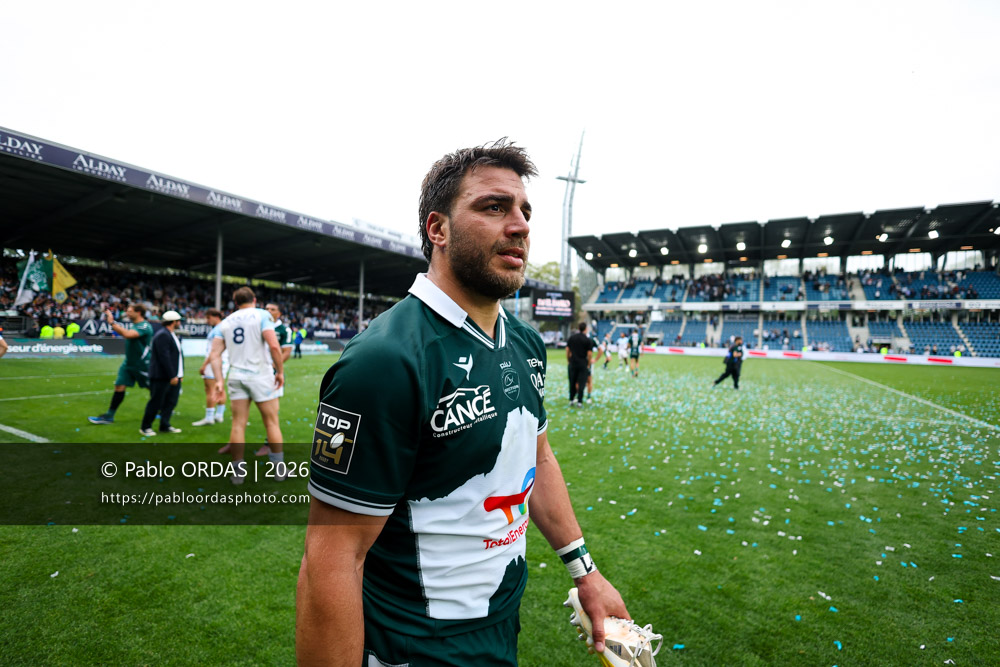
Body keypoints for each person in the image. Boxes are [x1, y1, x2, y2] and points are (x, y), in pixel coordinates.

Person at [297, 140, 629, 667]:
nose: (519, 225)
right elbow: (332, 558)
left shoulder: (523, 343)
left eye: (524, 211)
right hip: (415, 650)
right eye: (493, 207)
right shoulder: (383, 361)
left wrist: (584, 570)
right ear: (438, 229)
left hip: (499, 633)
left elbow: (537, 460)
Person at [207, 286, 285, 483]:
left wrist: (218, 380)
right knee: (271, 422)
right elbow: (274, 345)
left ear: (236, 302)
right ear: (255, 299)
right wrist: (280, 371)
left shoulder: (225, 322)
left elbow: (214, 355)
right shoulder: (262, 315)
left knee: (237, 424)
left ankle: (237, 473)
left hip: (236, 376)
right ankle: (279, 471)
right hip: (260, 375)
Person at [88, 305, 154, 425]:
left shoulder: (144, 326)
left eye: (129, 311)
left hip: (142, 364)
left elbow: (129, 335)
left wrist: (112, 323)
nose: (127, 313)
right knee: (119, 386)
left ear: (139, 312)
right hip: (128, 364)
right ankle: (109, 416)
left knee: (153, 388)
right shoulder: (135, 325)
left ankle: (163, 407)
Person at [254, 302, 295, 456]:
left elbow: (286, 351)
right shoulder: (259, 325)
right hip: (253, 372)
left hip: (271, 373)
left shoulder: (284, 330)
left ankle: (268, 444)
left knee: (271, 412)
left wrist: (273, 365)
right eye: (267, 309)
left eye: (272, 309)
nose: (269, 311)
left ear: (279, 313)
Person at [139, 310, 184, 437]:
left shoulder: (170, 334)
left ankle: (165, 425)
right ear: (174, 322)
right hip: (162, 376)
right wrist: (172, 375)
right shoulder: (163, 335)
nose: (180, 323)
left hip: (173, 376)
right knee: (156, 402)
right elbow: (164, 357)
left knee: (170, 402)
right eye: (178, 321)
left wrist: (179, 374)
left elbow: (176, 356)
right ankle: (145, 426)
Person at [193, 309, 229, 427]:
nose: (207, 321)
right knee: (220, 387)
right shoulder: (225, 327)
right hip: (224, 361)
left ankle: (209, 417)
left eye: (208, 318)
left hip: (214, 363)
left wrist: (205, 364)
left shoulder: (218, 329)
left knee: (210, 389)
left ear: (215, 317)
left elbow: (214, 351)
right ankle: (219, 415)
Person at [566, 321, 592, 407]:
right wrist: (588, 363)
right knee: (582, 382)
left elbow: (567, 350)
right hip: (583, 363)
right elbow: (589, 354)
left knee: (572, 381)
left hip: (573, 362)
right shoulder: (587, 340)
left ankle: (571, 399)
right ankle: (580, 401)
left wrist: (569, 360)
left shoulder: (572, 338)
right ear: (586, 329)